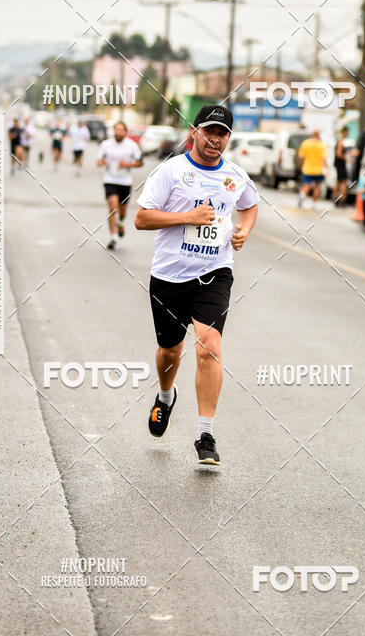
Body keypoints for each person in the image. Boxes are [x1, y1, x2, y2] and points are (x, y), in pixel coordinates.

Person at [135, 104, 259, 465]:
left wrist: (244, 231)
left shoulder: (235, 176)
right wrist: (186, 217)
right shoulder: (171, 172)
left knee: (209, 346)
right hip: (170, 277)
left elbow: (250, 206)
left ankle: (205, 434)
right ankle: (165, 395)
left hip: (214, 273)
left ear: (228, 139)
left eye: (222, 134)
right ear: (194, 132)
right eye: (209, 132)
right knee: (170, 353)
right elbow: (142, 218)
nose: (214, 140)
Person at [96, 121, 143, 249]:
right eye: (116, 130)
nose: (118, 133)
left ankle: (120, 222)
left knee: (122, 211)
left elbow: (140, 162)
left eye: (121, 130)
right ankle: (113, 238)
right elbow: (99, 160)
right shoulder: (106, 145)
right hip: (110, 180)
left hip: (125, 182)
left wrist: (128, 165)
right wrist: (101, 162)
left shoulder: (131, 146)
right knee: (112, 207)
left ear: (125, 132)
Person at [297, 129, 328, 209]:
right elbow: (324, 159)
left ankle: (302, 195)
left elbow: (301, 157)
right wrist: (327, 168)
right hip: (318, 169)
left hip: (307, 168)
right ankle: (313, 203)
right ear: (318, 135)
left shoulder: (306, 143)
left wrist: (300, 165)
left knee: (306, 184)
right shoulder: (321, 145)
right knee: (317, 186)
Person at [333, 126, 349, 206]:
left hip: (338, 164)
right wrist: (346, 159)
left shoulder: (339, 140)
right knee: (343, 182)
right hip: (341, 164)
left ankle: (335, 198)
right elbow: (339, 154)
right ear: (345, 132)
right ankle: (342, 200)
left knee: (338, 181)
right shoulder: (340, 141)